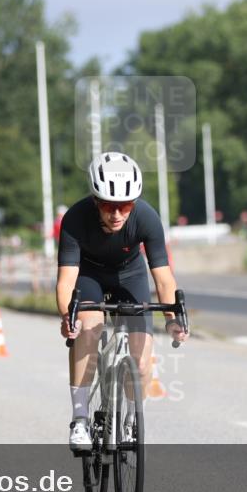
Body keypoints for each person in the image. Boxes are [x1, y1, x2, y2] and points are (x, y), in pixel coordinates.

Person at [56, 152, 188, 450]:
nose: (117, 214)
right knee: (88, 324)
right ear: (95, 200)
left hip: (130, 275)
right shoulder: (75, 220)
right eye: (108, 206)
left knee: (142, 360)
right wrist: (68, 315)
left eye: (125, 206)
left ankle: (130, 420)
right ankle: (79, 420)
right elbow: (65, 281)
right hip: (89, 275)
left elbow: (164, 279)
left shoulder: (146, 217)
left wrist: (172, 320)